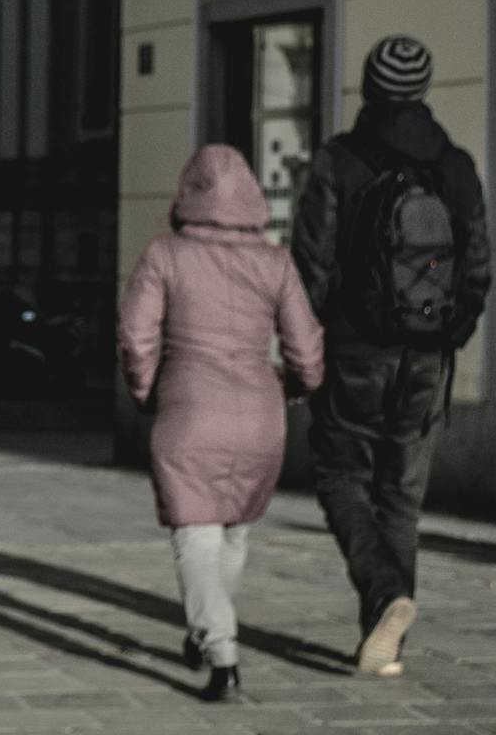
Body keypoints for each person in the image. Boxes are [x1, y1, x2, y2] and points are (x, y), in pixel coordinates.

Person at [292, 35, 490, 677]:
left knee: (339, 477)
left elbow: (311, 264)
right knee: (401, 498)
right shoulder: (455, 167)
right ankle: (386, 646)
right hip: (428, 355)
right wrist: (448, 333)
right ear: (422, 90)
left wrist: (310, 341)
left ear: (370, 88)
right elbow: (478, 268)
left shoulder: (339, 160)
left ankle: (384, 598)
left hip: (355, 349)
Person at [118, 144, 324, 703]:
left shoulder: (165, 254)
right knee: (234, 530)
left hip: (189, 410)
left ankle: (222, 654)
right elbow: (306, 347)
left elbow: (136, 336)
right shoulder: (276, 262)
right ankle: (208, 629)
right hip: (261, 414)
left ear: (188, 192)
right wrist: (298, 387)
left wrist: (146, 391)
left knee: (196, 535)